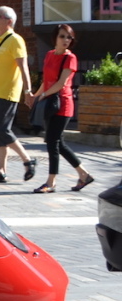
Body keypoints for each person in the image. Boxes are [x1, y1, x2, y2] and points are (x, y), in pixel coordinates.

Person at [25, 24, 93, 192]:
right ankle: (84, 175)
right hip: (49, 103)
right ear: (55, 38)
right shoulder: (49, 55)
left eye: (69, 37)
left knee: (52, 142)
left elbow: (61, 84)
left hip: (62, 105)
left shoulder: (70, 58)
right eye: (62, 36)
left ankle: (51, 182)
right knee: (59, 144)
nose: (66, 40)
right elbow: (46, 81)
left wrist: (42, 95)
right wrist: (35, 95)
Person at [0, 6, 37, 183]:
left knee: (1, 130)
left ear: (9, 21)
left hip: (7, 92)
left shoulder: (15, 40)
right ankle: (0, 171)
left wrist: (28, 91)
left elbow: (23, 67)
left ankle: (28, 160)